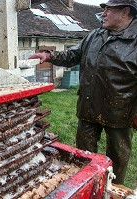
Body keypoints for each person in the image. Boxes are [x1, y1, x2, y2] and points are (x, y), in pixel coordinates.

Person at [29, 0, 137, 185]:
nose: (103, 13)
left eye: (108, 10)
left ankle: (113, 190)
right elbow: (73, 54)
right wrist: (49, 55)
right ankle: (87, 188)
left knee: (118, 158)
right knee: (84, 157)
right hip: (89, 108)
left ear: (125, 12)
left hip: (121, 113)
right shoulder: (95, 35)